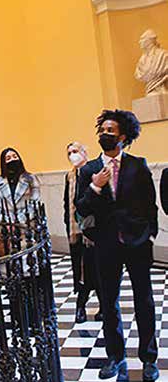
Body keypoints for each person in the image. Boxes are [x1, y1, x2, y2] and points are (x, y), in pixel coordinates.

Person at [76, 109, 159, 381]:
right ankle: (115, 356)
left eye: (110, 131)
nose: (104, 134)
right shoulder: (88, 170)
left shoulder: (138, 164)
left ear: (122, 136)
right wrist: (95, 187)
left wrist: (150, 234)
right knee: (108, 302)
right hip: (106, 243)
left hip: (137, 242)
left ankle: (148, 358)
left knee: (143, 301)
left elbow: (150, 204)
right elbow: (81, 206)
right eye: (102, 130)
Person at [64, 142, 102, 324]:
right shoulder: (70, 176)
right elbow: (68, 203)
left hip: (94, 229)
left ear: (84, 152)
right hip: (75, 230)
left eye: (76, 151)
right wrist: (68, 224)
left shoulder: (94, 170)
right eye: (69, 153)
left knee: (98, 268)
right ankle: (81, 306)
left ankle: (104, 306)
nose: (73, 155)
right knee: (80, 271)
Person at [0, 147, 40, 224]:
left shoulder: (30, 178)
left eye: (15, 156)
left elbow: (35, 202)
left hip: (27, 224)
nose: (12, 160)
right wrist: (6, 221)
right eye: (8, 158)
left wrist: (21, 220)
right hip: (7, 227)